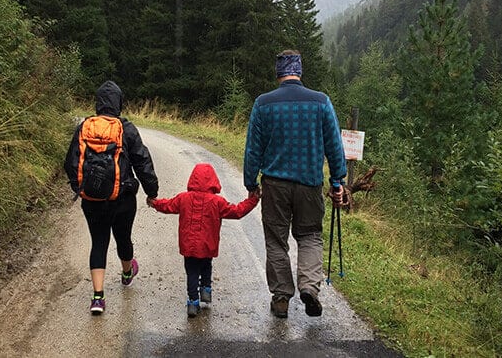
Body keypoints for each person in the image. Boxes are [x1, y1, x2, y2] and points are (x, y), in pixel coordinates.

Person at [243, 50, 347, 319]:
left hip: (275, 185)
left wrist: (250, 181)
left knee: (276, 241)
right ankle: (309, 288)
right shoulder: (321, 102)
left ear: (278, 73)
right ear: (299, 71)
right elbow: (334, 146)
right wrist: (338, 181)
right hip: (310, 184)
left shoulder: (263, 104)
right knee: (310, 235)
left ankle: (281, 298)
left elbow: (253, 149)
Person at [64, 80, 160, 315]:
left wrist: (82, 188)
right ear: (119, 103)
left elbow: (70, 163)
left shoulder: (84, 127)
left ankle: (98, 297)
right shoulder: (125, 128)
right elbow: (142, 161)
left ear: (98, 103)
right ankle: (127, 272)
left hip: (92, 201)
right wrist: (152, 191)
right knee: (123, 238)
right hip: (123, 199)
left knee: (99, 242)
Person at [149, 163, 259, 318]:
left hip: (189, 245)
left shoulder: (183, 198)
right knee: (206, 265)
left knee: (192, 272)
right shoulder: (217, 202)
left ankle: (193, 302)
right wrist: (252, 201)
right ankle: (206, 290)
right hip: (208, 244)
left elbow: (168, 205)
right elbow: (237, 211)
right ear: (213, 181)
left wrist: (154, 203)